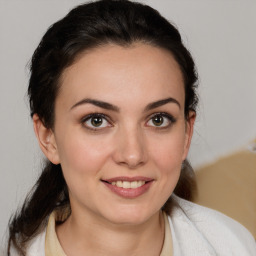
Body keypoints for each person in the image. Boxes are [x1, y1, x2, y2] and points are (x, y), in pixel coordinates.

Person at [7, 0, 256, 255]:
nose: (133, 155)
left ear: (186, 134)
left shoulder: (235, 246)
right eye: (97, 120)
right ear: (48, 137)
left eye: (158, 119)